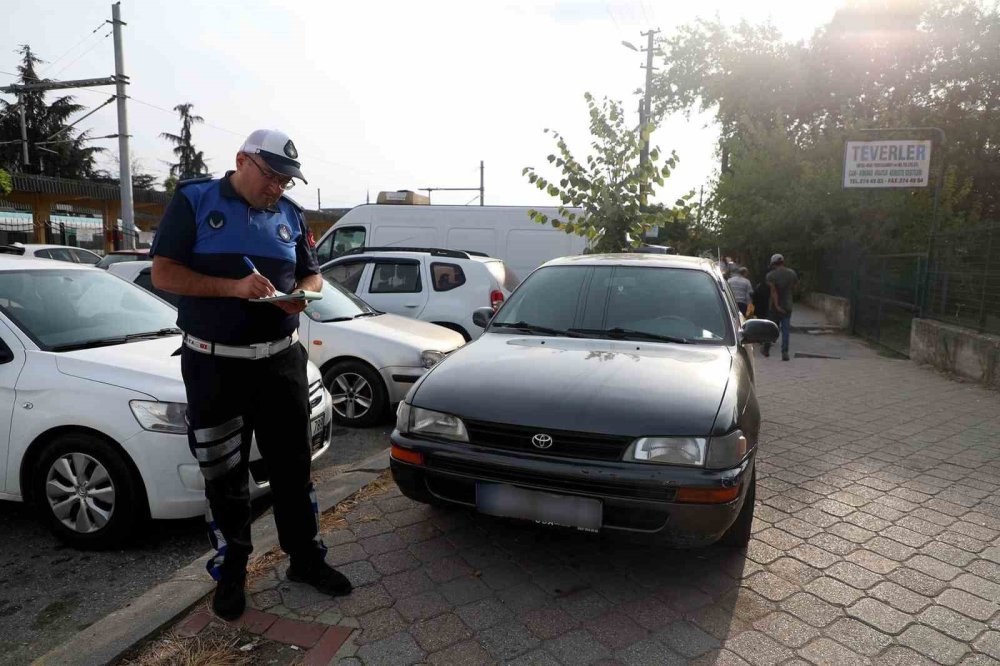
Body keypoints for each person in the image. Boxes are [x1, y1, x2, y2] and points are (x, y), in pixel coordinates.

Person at [150, 129, 352, 621]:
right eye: (272, 176)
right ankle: (232, 574)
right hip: (215, 364)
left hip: (282, 360)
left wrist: (300, 294)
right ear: (242, 160)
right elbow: (164, 274)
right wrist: (234, 288)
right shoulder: (195, 200)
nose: (278, 187)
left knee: (293, 468)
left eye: (287, 180)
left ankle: (305, 560)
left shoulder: (290, 213)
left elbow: (313, 273)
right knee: (224, 475)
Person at [762, 253, 798, 361]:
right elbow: (795, 287)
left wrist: (777, 305)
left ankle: (766, 349)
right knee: (786, 330)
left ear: (773, 263)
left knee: (772, 329)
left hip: (774, 307)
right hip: (788, 305)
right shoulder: (792, 273)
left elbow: (773, 291)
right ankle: (785, 352)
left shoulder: (770, 275)